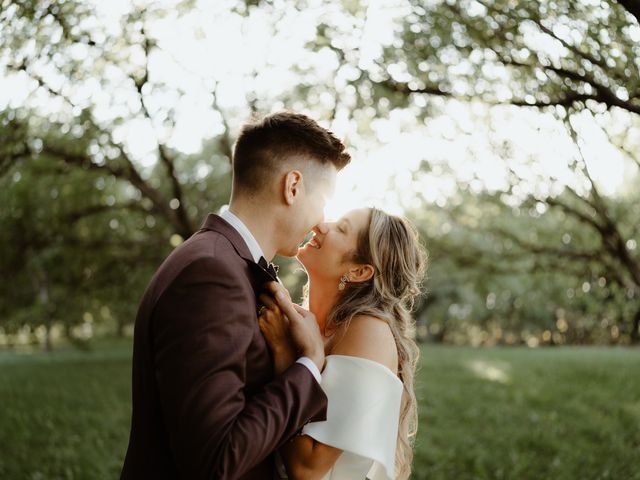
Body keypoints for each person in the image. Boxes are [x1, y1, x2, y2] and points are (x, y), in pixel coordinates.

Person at [120, 111, 351, 479]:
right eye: (322, 199)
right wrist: (308, 363)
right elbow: (215, 460)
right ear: (293, 186)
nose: (323, 220)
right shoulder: (210, 274)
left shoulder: (223, 261)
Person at [258, 207, 426, 480]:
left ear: (359, 271)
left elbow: (307, 469)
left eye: (341, 229)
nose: (321, 226)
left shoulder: (368, 332)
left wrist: (286, 354)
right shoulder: (307, 322)